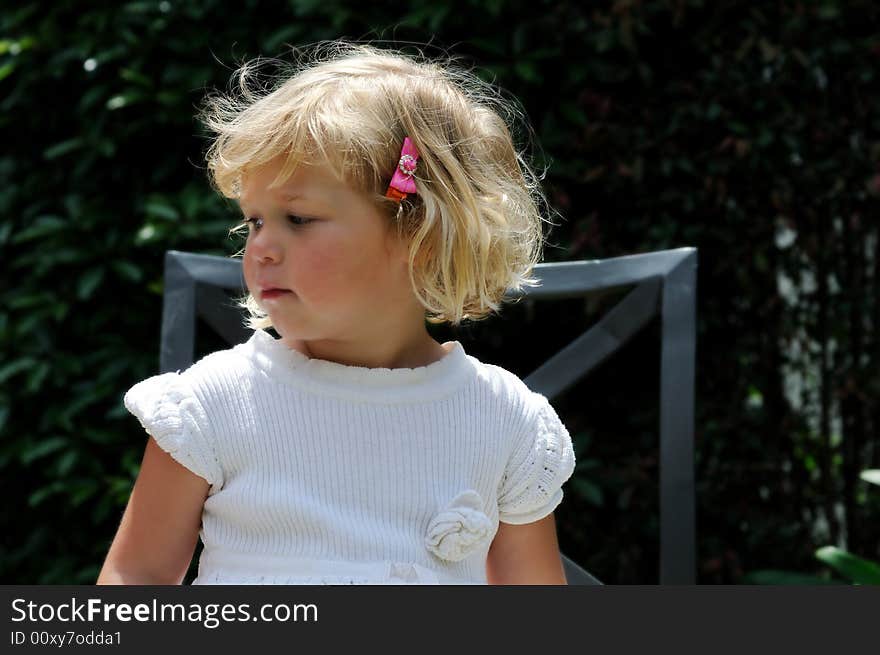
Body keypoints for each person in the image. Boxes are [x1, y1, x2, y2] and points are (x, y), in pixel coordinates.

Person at [96, 41, 576, 585]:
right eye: (254, 221)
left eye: (297, 219)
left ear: (420, 235)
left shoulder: (503, 421)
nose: (262, 248)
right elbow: (134, 582)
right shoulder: (216, 402)